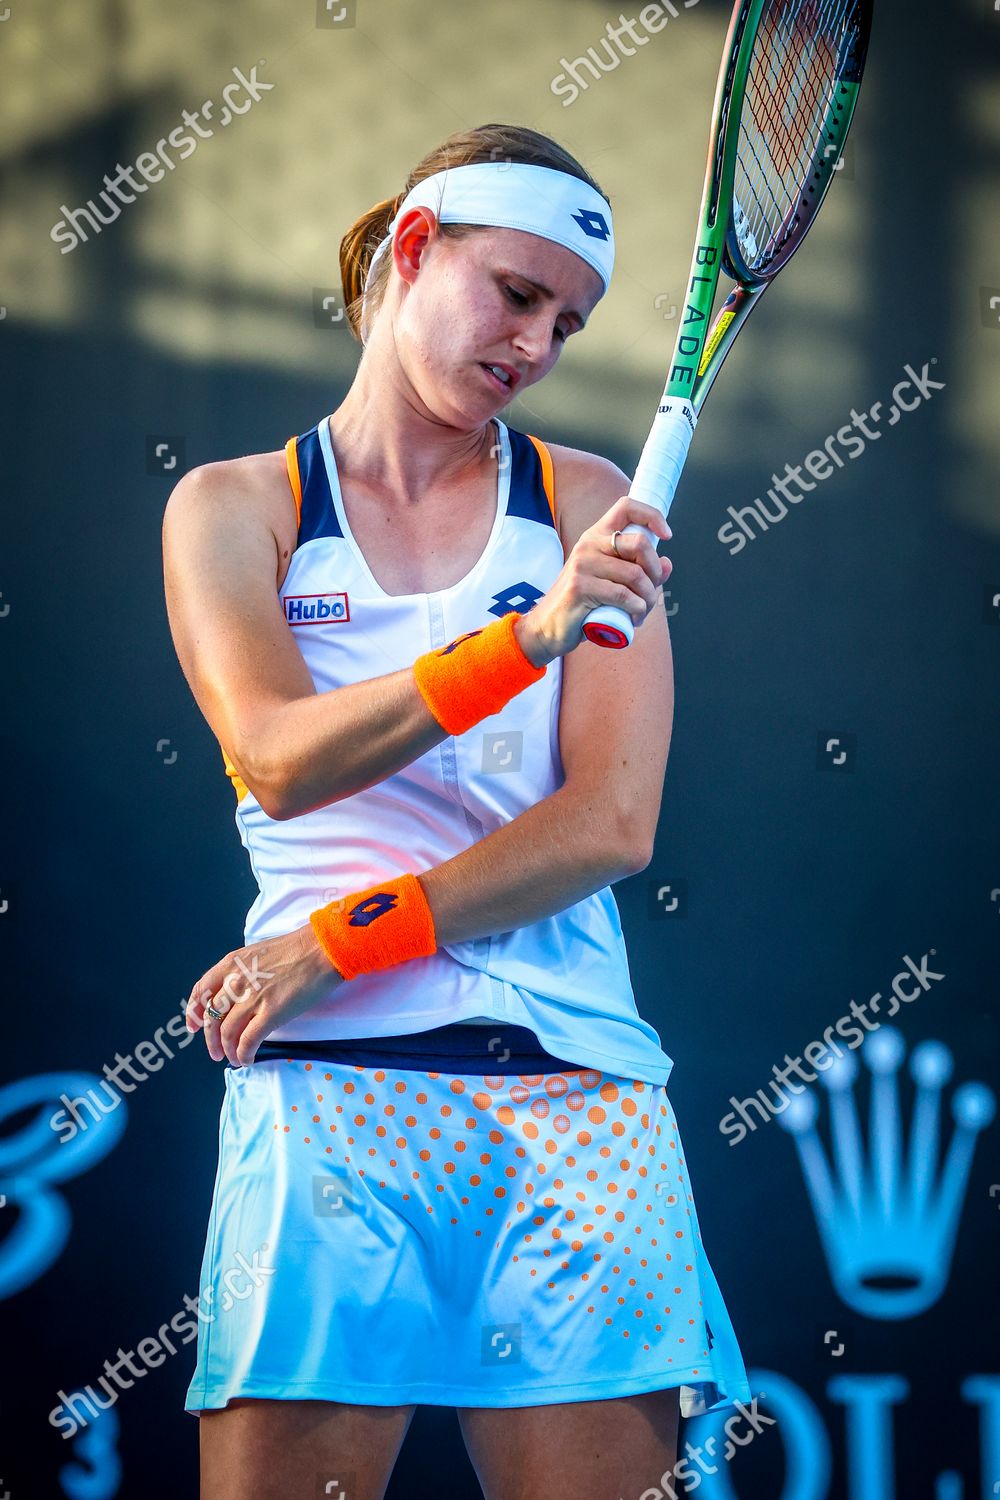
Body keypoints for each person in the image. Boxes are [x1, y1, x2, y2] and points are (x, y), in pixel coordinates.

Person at [162, 121, 752, 1500]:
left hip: (578, 1107)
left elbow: (609, 827)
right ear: (414, 250)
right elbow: (280, 757)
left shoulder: (588, 503)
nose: (537, 345)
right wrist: (530, 637)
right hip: (328, 1105)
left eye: (569, 320)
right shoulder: (230, 508)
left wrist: (339, 941)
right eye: (518, 294)